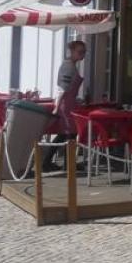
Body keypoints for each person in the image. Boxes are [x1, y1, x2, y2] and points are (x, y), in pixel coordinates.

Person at [48, 40, 86, 171]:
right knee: (68, 133)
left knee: (67, 134)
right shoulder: (68, 66)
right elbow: (62, 88)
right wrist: (57, 106)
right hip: (66, 104)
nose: (82, 54)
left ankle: (65, 163)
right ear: (72, 51)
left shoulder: (71, 65)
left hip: (70, 103)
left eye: (84, 52)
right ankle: (64, 163)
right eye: (80, 52)